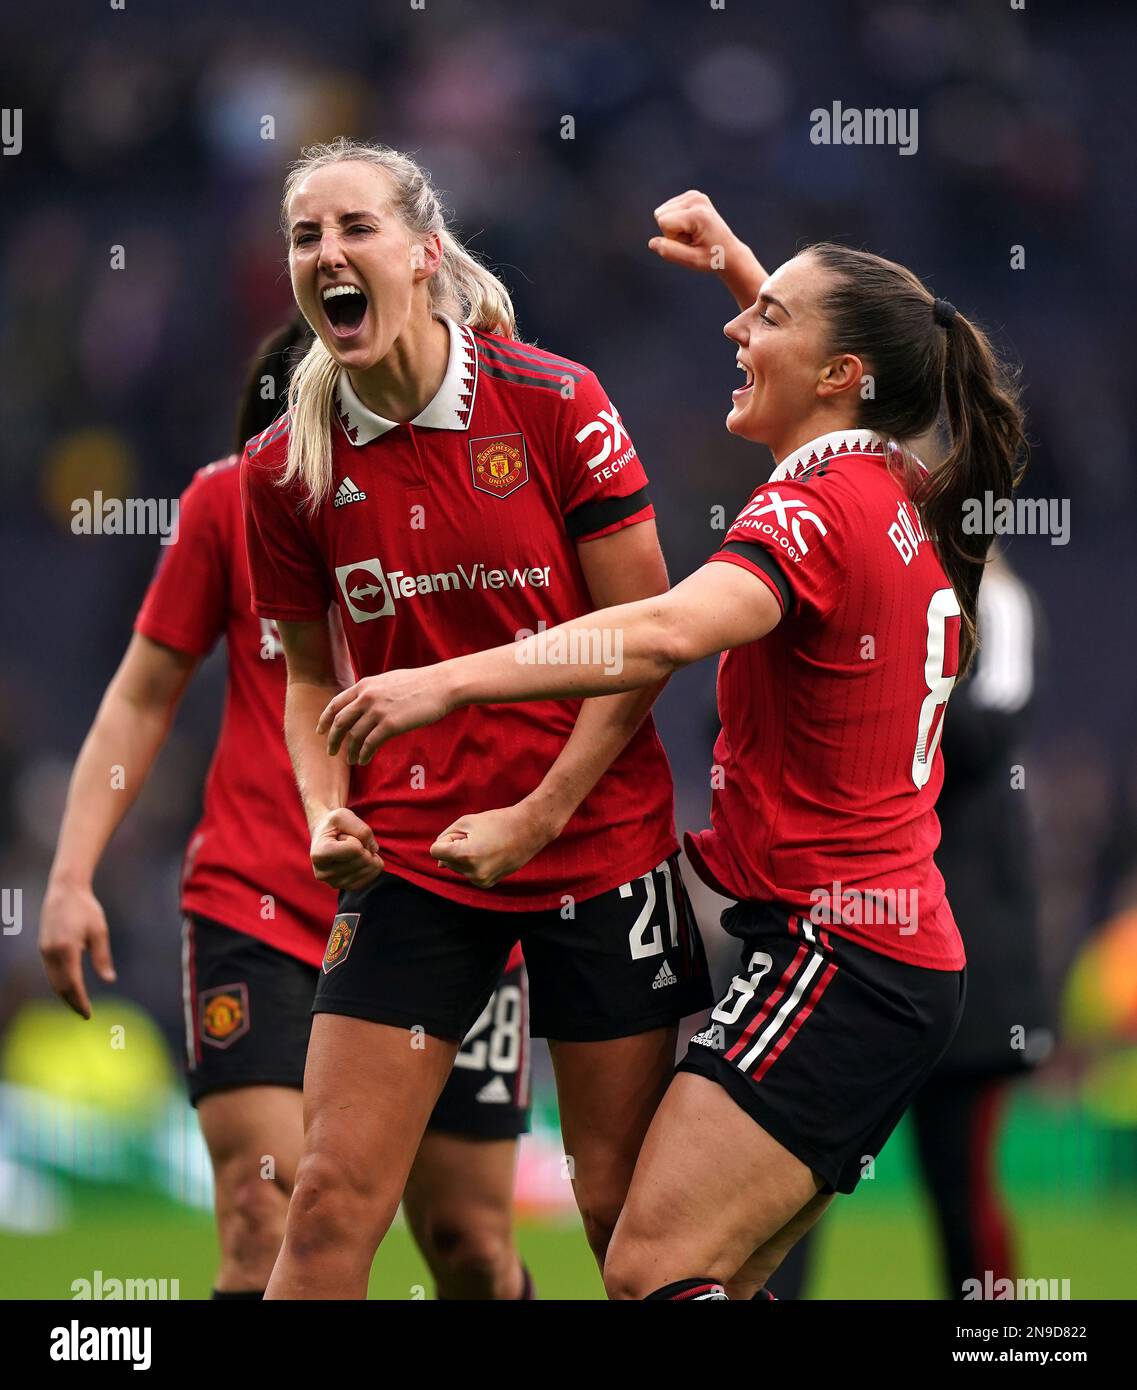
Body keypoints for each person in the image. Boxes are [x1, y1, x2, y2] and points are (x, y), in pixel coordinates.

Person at [321, 190, 1028, 1299]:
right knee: (710, 1278)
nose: (738, 334)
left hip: (843, 958)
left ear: (841, 373)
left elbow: (662, 630)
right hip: (876, 948)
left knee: (651, 1263)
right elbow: (850, 378)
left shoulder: (816, 512)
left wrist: (440, 682)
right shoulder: (895, 481)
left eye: (769, 322)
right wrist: (753, 275)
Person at [241, 140, 710, 1299]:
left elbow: (640, 643)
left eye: (354, 227)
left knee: (623, 1213)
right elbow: (308, 679)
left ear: (422, 251)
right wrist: (322, 811)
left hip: (597, 840)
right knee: (329, 1204)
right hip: (414, 857)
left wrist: (538, 814)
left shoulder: (557, 404)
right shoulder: (282, 468)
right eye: (307, 236)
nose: (329, 254)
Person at [39, 315, 534, 1301]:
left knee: (469, 1240)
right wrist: (68, 876)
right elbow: (143, 694)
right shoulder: (232, 503)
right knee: (269, 1215)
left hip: (444, 901)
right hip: (259, 900)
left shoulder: (480, 498)